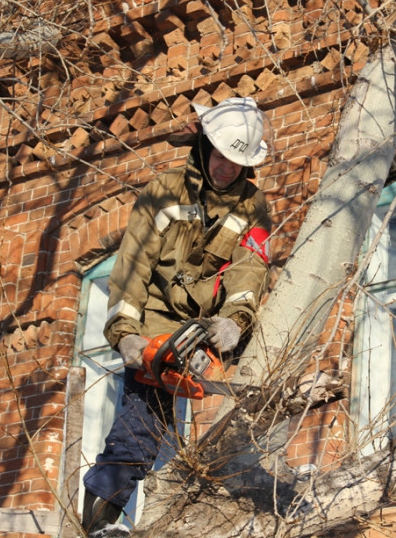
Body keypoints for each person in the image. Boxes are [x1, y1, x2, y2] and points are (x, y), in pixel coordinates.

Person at [82, 97, 273, 537]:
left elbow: (250, 270)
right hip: (154, 320)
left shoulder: (253, 206)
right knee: (139, 427)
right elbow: (132, 266)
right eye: (222, 155)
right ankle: (101, 522)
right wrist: (126, 335)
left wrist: (234, 321)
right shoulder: (164, 192)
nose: (227, 167)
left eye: (236, 161)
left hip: (206, 328)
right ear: (205, 145)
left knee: (232, 422)